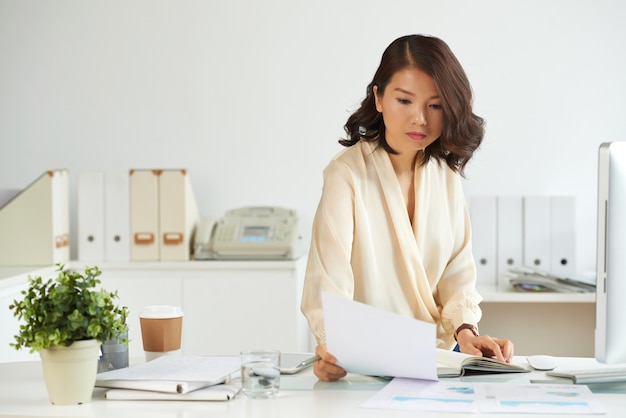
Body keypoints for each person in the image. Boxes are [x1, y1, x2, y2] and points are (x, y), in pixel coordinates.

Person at [300, 34, 514, 382]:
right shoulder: (347, 175)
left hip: (437, 364)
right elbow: (328, 285)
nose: (420, 119)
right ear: (379, 98)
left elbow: (457, 271)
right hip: (367, 365)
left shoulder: (445, 174)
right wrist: (333, 346)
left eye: (435, 105)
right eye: (404, 100)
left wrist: (467, 332)